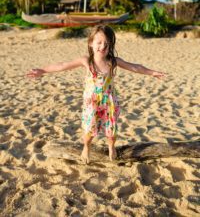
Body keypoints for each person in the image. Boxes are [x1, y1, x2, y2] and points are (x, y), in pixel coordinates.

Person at [27, 25, 165, 164]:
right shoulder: (87, 61)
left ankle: (111, 147)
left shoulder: (113, 62)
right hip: (92, 102)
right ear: (91, 43)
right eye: (99, 42)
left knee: (111, 130)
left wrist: (152, 72)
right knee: (89, 130)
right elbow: (62, 65)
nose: (103, 46)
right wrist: (42, 70)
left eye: (107, 43)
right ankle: (86, 147)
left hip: (109, 102)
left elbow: (134, 67)